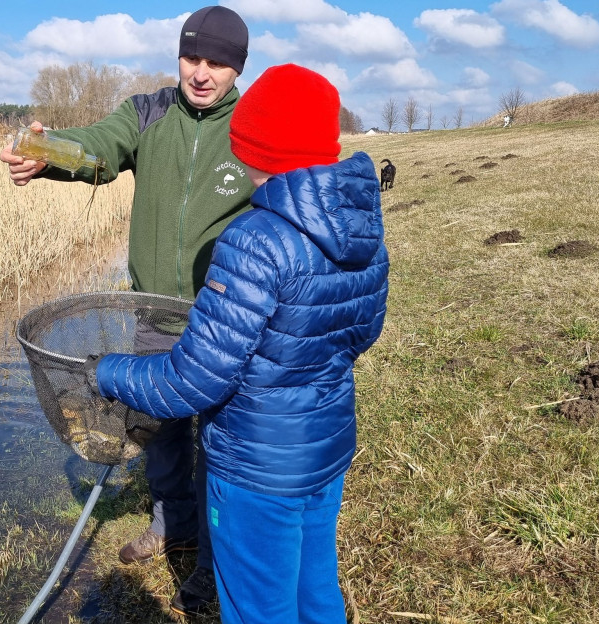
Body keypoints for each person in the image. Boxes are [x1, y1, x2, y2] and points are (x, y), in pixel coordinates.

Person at [90, 64, 390, 623]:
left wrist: (109, 372)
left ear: (256, 145)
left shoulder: (254, 238)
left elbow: (194, 379)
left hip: (255, 467)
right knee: (315, 587)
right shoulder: (361, 228)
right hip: (324, 448)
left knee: (258, 606)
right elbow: (363, 332)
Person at [0, 5, 253, 616]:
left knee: (221, 445)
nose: (201, 73)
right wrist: (50, 152)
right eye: (192, 58)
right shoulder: (148, 112)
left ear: (236, 68)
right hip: (152, 314)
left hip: (225, 321)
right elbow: (97, 147)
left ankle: (217, 564)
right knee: (160, 433)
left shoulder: (253, 126)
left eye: (217, 62)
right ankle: (173, 525)